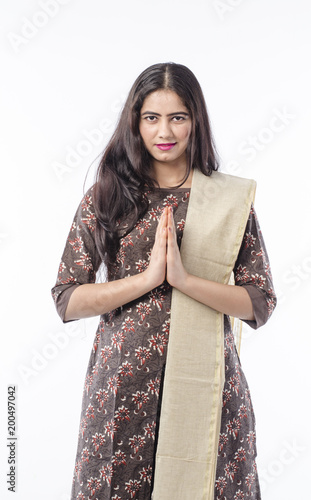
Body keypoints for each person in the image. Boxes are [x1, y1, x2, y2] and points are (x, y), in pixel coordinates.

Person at [51, 62, 276, 500]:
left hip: (206, 384)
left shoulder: (227, 200)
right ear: (135, 122)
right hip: (123, 389)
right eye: (151, 117)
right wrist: (149, 279)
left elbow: (259, 303)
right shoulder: (108, 196)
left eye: (178, 117)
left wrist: (184, 280)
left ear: (196, 121)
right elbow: (66, 299)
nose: (164, 131)